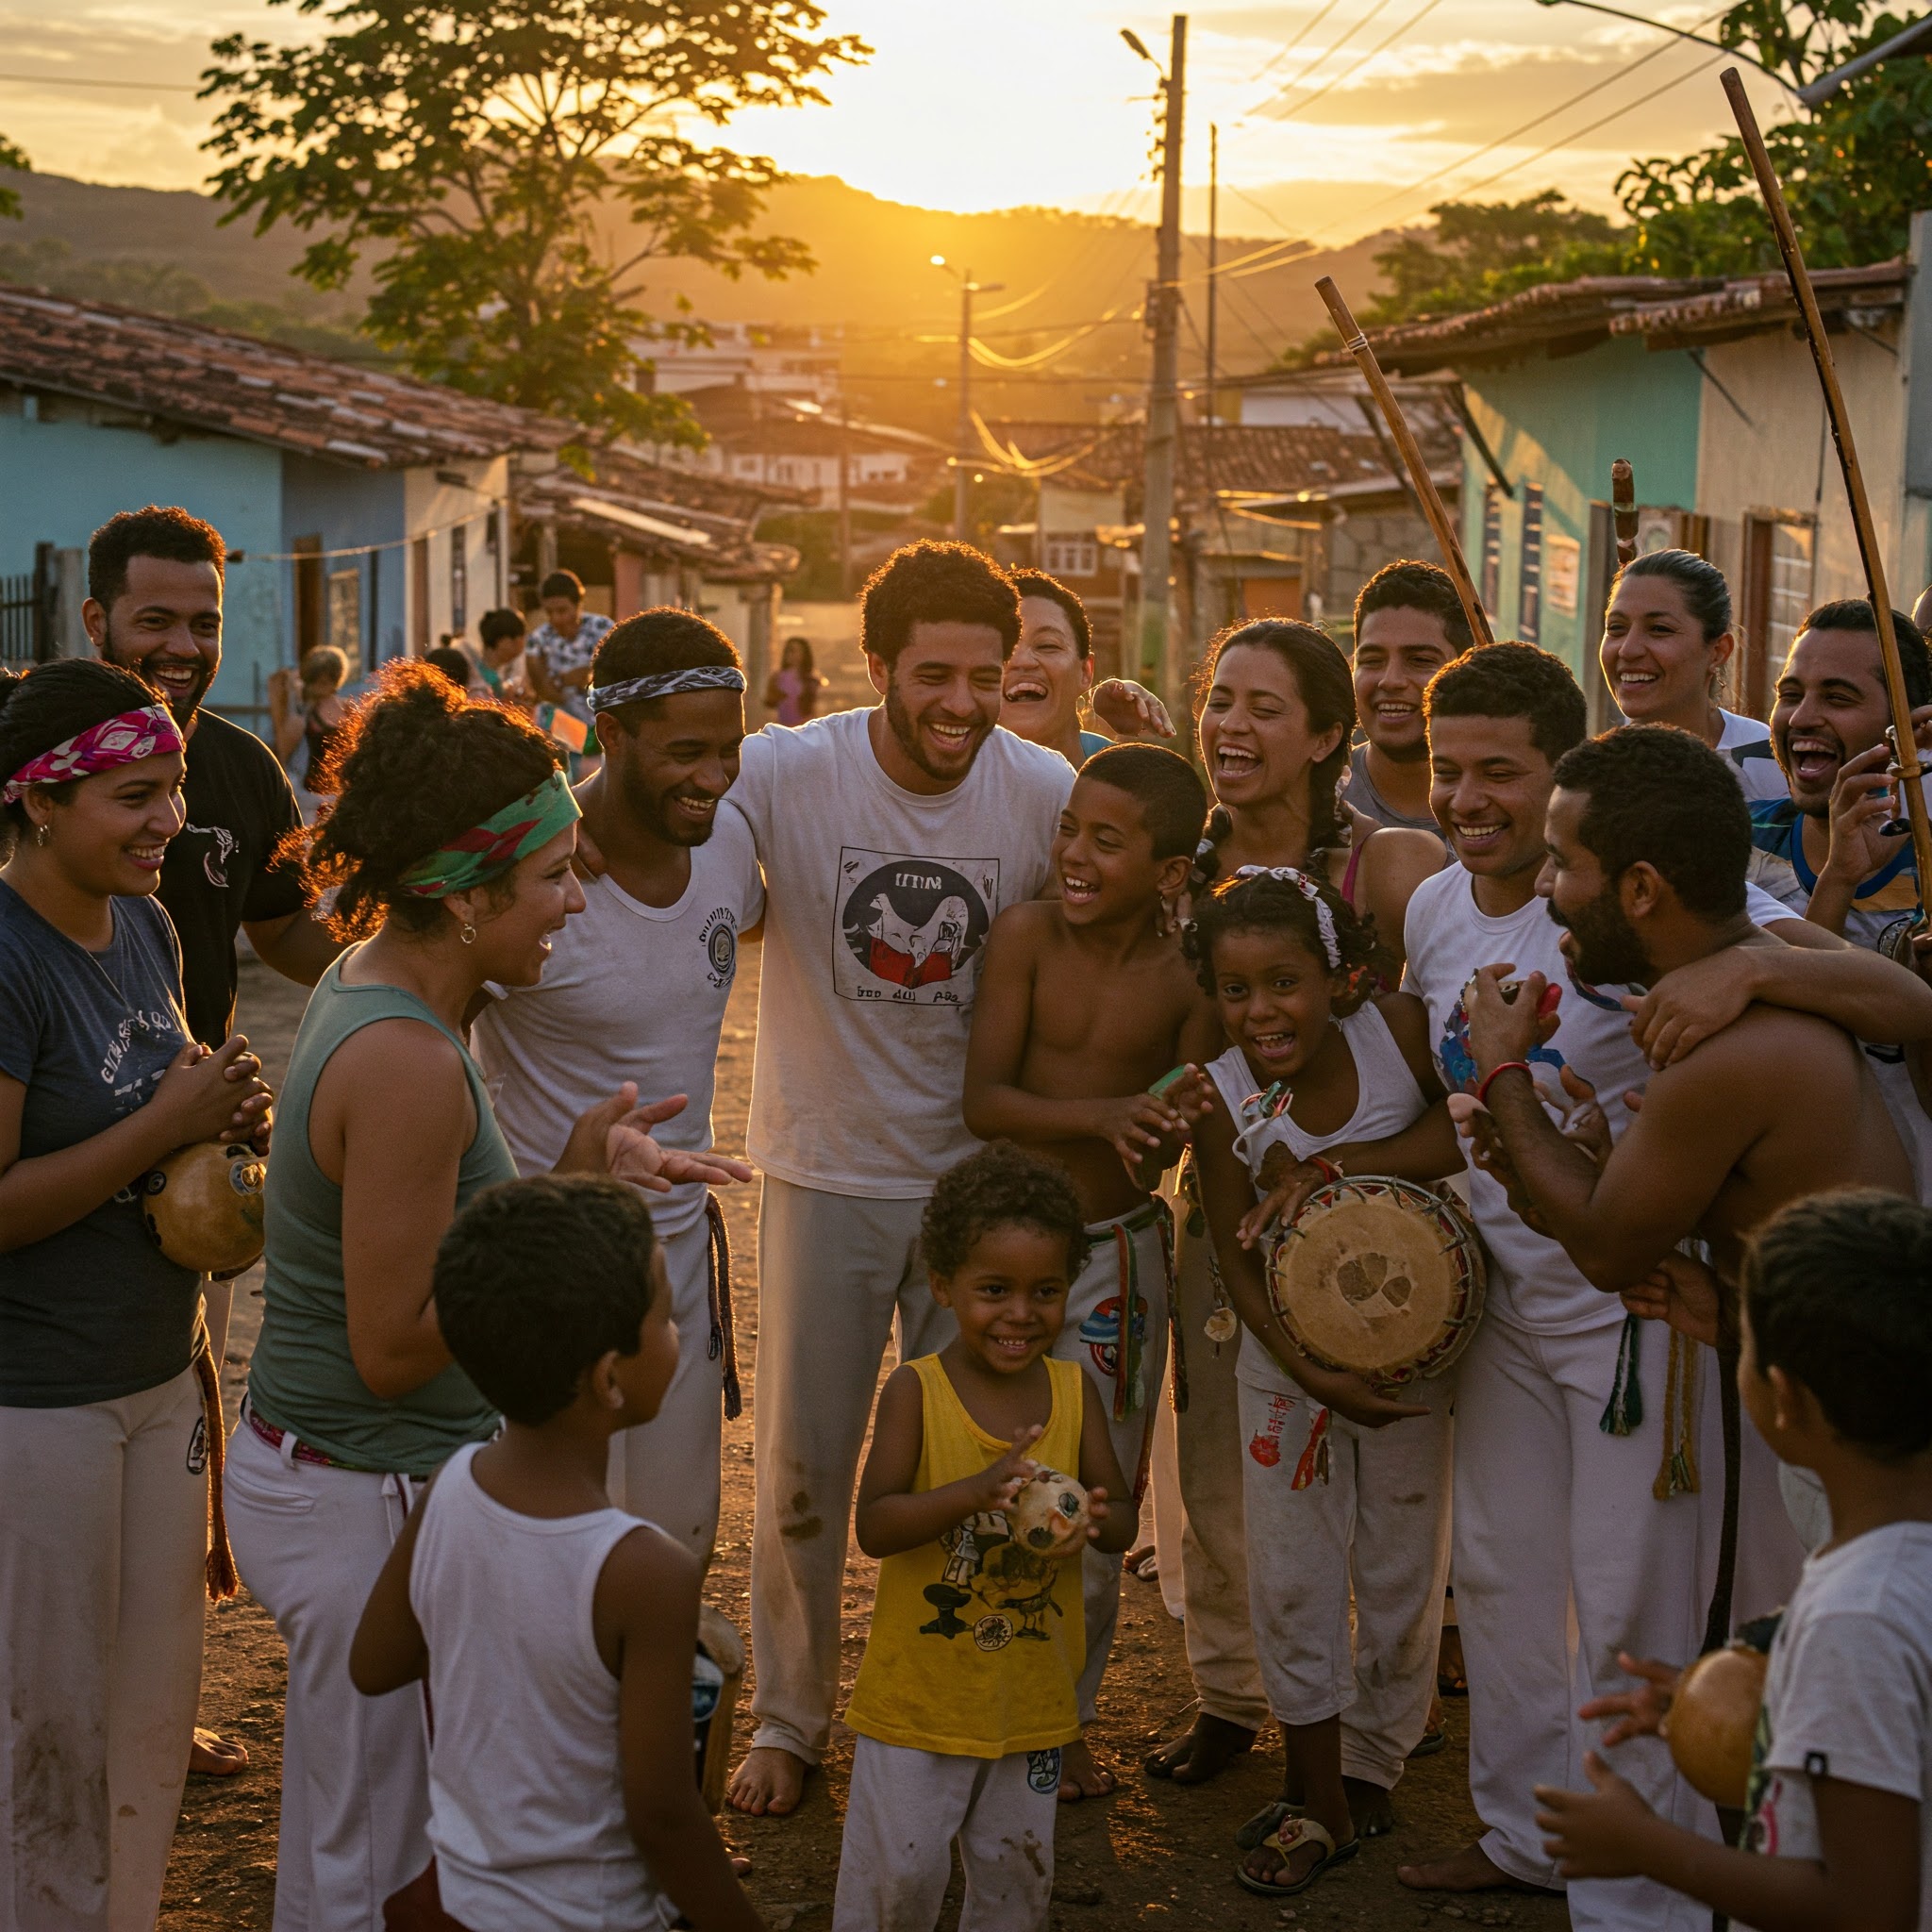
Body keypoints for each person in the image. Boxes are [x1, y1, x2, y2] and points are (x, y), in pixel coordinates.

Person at [1395, 647, 1932, 1924]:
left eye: (1567, 866)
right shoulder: (1481, 919)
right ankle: (1586, 1846)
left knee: (1745, 1623)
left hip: (1753, 1370)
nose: (1548, 887)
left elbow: (1606, 1246)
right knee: (1586, 1596)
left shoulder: (1727, 1019)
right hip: (1731, 1327)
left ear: (1635, 882)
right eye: (1447, 771)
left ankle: (1673, 1885)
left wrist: (1514, 1077)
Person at [223, 661, 731, 1930]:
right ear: (461, 894)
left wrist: (567, 1175)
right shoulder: (406, 1064)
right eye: (554, 873)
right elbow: (394, 1345)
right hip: (358, 1482)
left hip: (354, 1473)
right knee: (362, 1859)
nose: (578, 893)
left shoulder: (386, 989)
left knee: (383, 1838)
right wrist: (560, 1212)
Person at [721, 541, 1078, 1820]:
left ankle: (994, 1704)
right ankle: (790, 1715)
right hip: (821, 1170)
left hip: (981, 1196)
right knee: (806, 1470)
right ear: (874, 668)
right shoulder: (784, 770)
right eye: (935, 675)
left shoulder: (1043, 790)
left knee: (994, 1461)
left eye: (990, 676)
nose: (964, 705)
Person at [1144, 615, 1446, 1790]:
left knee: (1389, 1489)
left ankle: (1375, 1728)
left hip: (1387, 1234)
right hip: (1228, 1203)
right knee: (1221, 1462)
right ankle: (1229, 1689)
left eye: (1265, 707)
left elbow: (1418, 1053)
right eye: (1219, 699)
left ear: (1327, 733)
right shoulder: (1179, 860)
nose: (1230, 726)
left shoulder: (1390, 866)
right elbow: (1173, 1049)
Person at [0, 658, 271, 1930]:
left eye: (170, 788)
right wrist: (168, 1115)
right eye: (132, 795)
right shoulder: (7, 959)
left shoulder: (151, 927)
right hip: (36, 1404)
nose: (168, 819)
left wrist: (217, 1127)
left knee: (152, 1717)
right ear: (41, 801)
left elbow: (158, 1119)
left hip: (161, 1378)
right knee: (43, 1730)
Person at [86, 503, 343, 1779]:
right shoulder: (29, 762)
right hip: (62, 1139)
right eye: (156, 620)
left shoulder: (240, 772)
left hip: (194, 1162)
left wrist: (416, 958)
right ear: (95, 622)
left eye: (204, 623)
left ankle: (153, 1704)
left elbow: (290, 934)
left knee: (178, 1421)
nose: (182, 645)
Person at [349, 1174, 765, 1932]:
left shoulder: (451, 1489)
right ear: (609, 1378)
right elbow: (666, 1815)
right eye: (667, 1321)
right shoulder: (646, 1571)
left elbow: (374, 1664)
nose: (676, 1337)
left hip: (464, 1903)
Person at [1534, 1190, 1932, 1932]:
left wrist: (1648, 1847)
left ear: (1783, 1398)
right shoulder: (1895, 1571)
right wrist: (1754, 1709)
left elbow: (1866, 1908)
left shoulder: (1859, 1617)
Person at [1186, 866, 1460, 1895]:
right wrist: (1304, 1368)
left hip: (1411, 1357)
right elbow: (1234, 1254)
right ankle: (1317, 1797)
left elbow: (1454, 1129)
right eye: (1235, 988)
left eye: (1285, 981)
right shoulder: (1222, 1094)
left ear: (1338, 978)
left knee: (1399, 1567)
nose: (1262, 1009)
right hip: (1286, 1370)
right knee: (1292, 1574)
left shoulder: (1395, 1034)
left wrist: (1333, 1162)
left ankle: (1372, 1765)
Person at [473, 608, 762, 1563]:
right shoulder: (530, 872)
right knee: (541, 1552)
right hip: (541, 1275)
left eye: (727, 749)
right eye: (685, 750)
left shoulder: (729, 846)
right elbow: (404, 999)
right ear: (610, 734)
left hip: (675, 1269)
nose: (712, 776)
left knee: (673, 1544)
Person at [961, 743, 1220, 1796]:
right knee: (984, 1476)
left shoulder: (1188, 974)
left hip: (1117, 1254)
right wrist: (1103, 1113)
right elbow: (985, 1100)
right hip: (1003, 1256)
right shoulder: (1023, 935)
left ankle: (1062, 1719)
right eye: (1068, 826)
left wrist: (1154, 1123)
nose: (1070, 852)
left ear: (1169, 870)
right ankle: (978, 1699)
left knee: (1092, 1494)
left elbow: (1171, 1124)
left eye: (1104, 840)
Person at [833, 1142, 1136, 1930]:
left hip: (1030, 1702)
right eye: (993, 1290)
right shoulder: (917, 1392)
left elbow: (1121, 1522)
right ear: (944, 1286)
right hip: (919, 1704)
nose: (1020, 1314)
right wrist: (974, 1493)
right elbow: (875, 1525)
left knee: (1014, 1881)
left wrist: (1094, 1516)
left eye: (1046, 1291)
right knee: (897, 1880)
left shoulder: (1074, 1395)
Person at [1745, 599, 1932, 1191]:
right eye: (1790, 692)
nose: (1801, 717)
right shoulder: (1733, 842)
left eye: (1837, 697)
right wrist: (1838, 882)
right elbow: (1769, 1048)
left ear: (1909, 727)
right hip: (1779, 1227)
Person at [1599, 548, 1786, 802]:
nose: (1628, 649)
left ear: (1718, 651)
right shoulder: (1592, 779)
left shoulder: (1773, 764)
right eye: (1616, 628)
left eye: (1659, 629)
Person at [999, 569, 1174, 768]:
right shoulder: (958, 777)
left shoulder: (1120, 771)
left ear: (1085, 672)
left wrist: (1134, 736)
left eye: (1047, 645)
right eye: (1004, 648)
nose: (1021, 661)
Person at [1345, 559, 1471, 836]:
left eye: (1419, 660)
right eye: (1373, 659)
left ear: (1465, 667)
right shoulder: (1314, 803)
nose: (1390, 680)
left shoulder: (1508, 815)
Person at [525, 568, 615, 733]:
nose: (555, 619)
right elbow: (544, 690)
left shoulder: (602, 628)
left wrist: (584, 677)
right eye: (549, 612)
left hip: (603, 724)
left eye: (562, 611)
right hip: (559, 728)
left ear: (578, 604)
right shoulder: (538, 639)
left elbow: (617, 673)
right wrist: (571, 679)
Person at [269, 643, 353, 804]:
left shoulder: (349, 708)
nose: (322, 686)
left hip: (341, 791)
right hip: (310, 796)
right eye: (318, 681)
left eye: (327, 680)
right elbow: (283, 752)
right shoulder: (302, 715)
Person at [764, 635, 827, 727]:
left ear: (804, 654)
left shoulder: (812, 679)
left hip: (804, 728)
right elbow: (770, 703)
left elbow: (816, 708)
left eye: (794, 650)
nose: (790, 654)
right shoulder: (777, 677)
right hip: (783, 728)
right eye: (788, 650)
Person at [475, 607, 533, 708]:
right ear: (505, 641)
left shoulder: (486, 672)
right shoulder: (484, 680)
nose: (523, 645)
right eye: (522, 638)